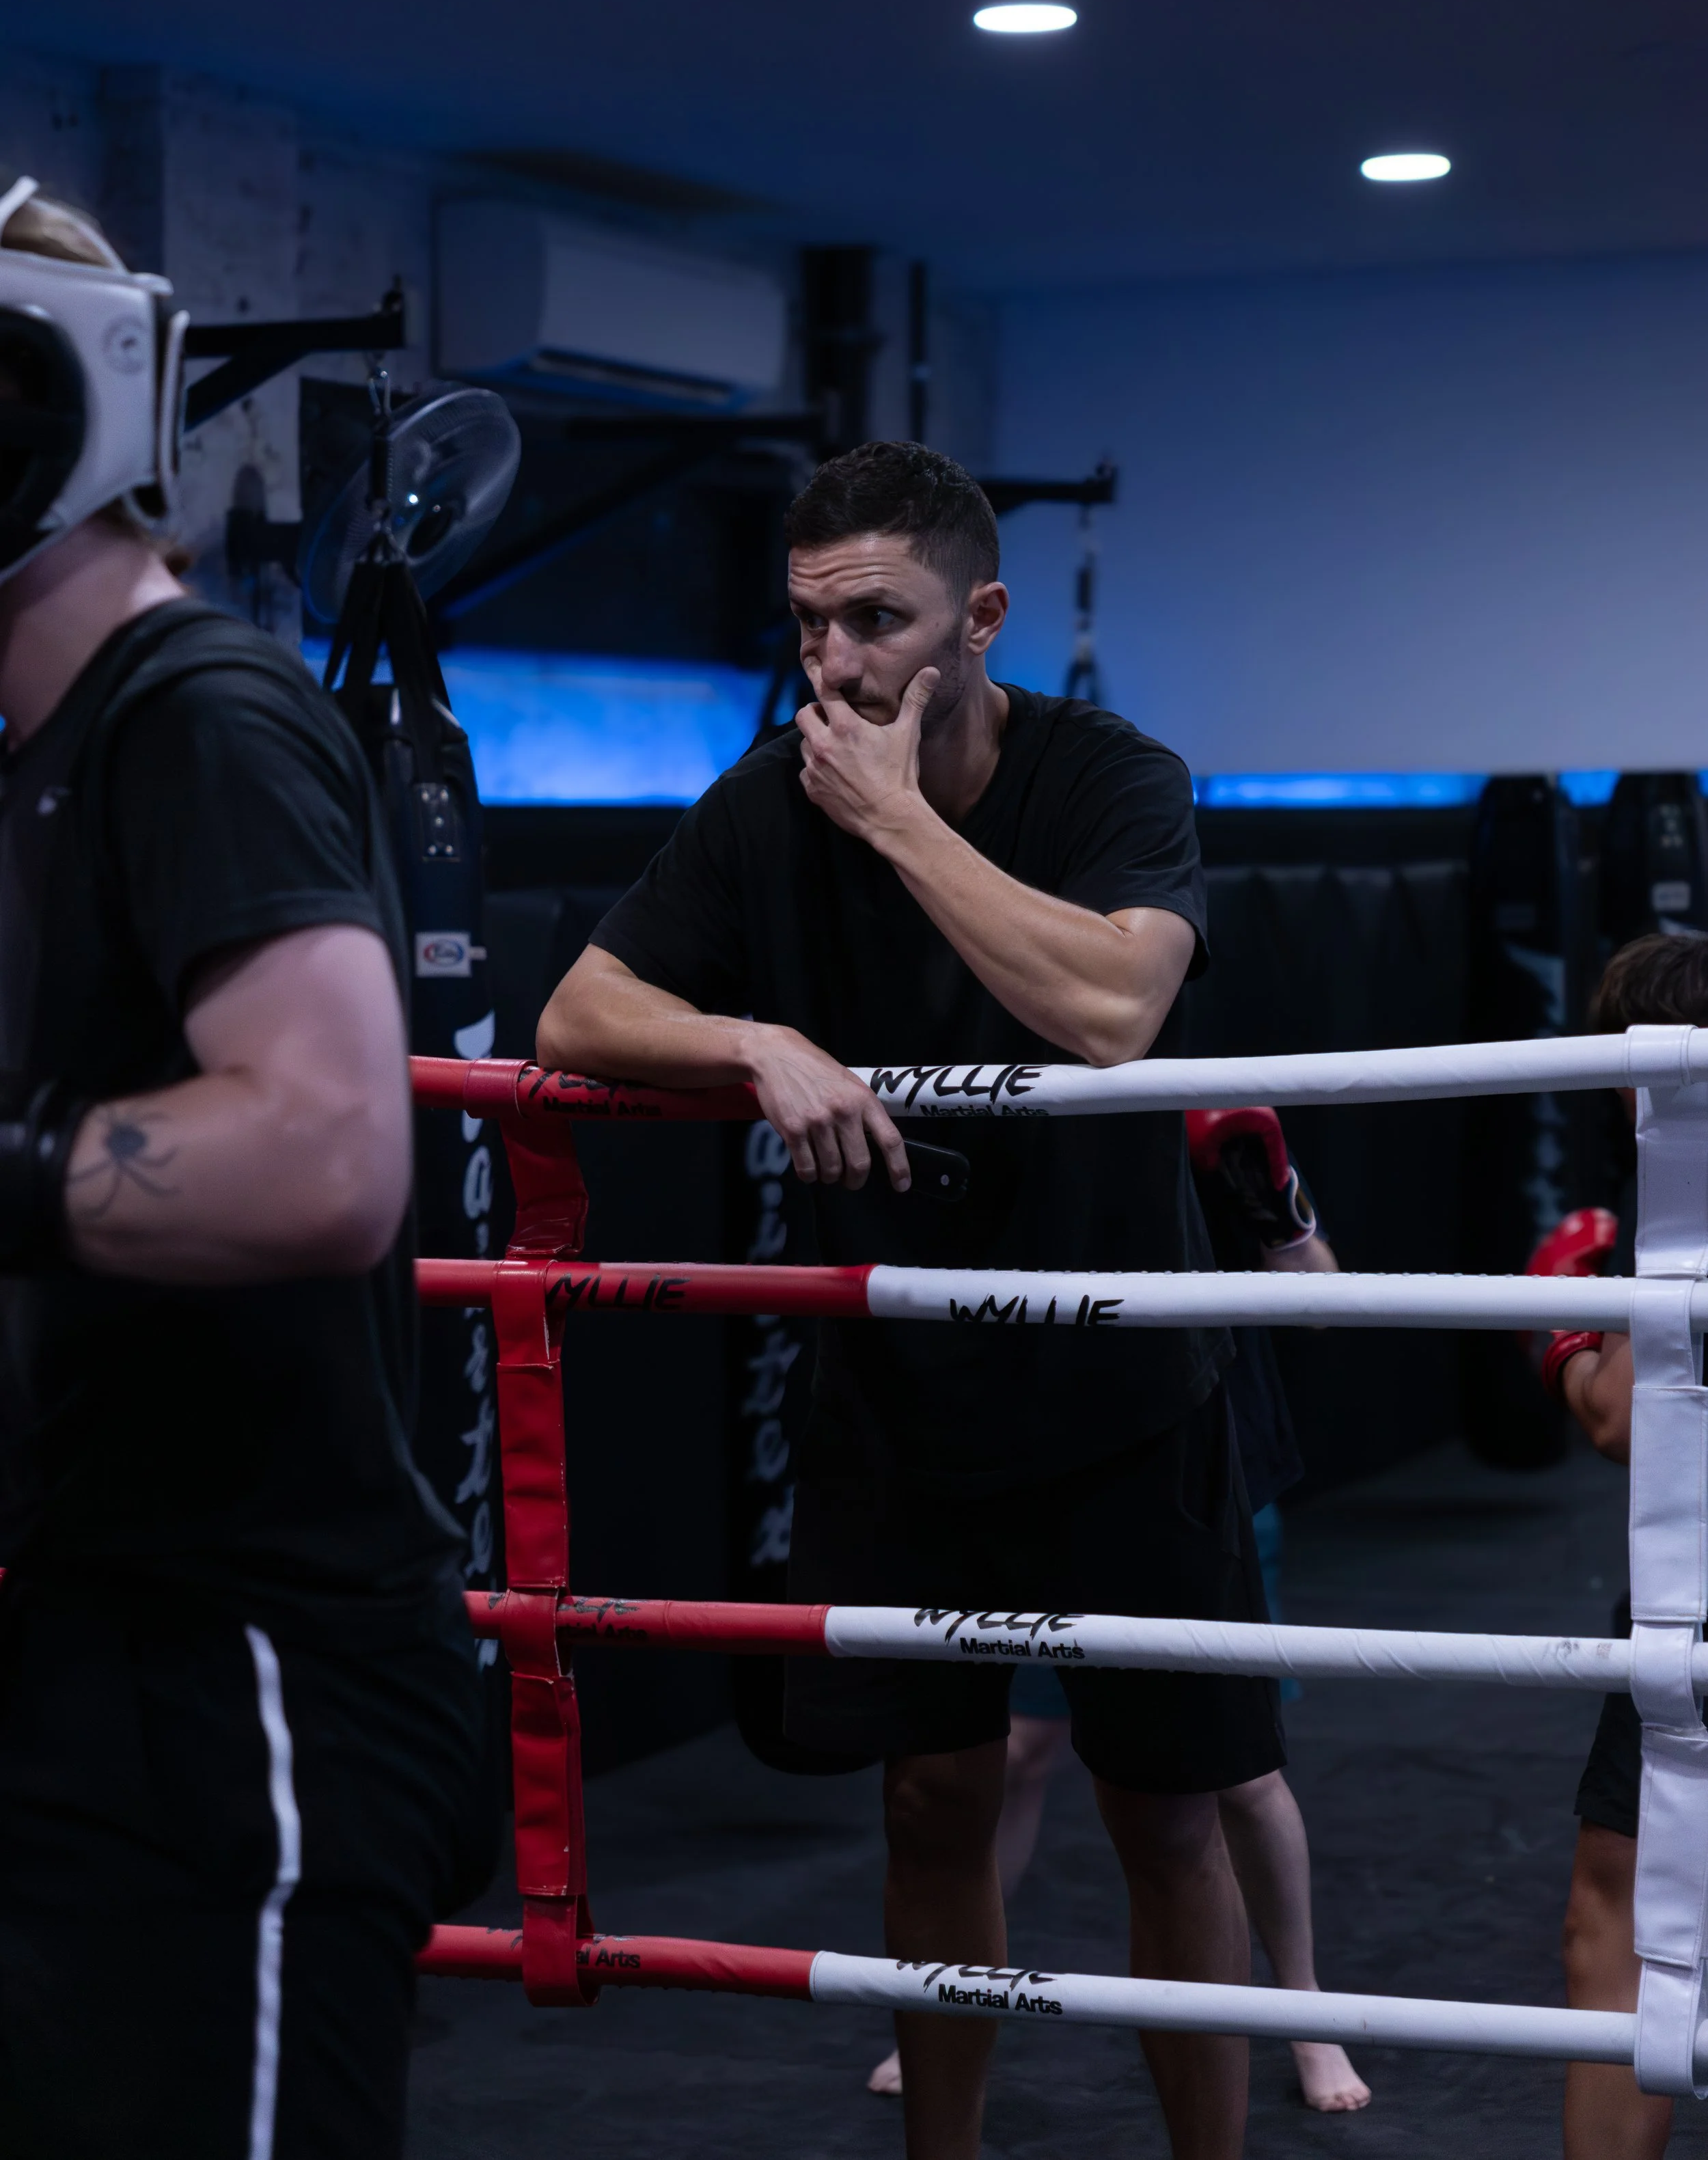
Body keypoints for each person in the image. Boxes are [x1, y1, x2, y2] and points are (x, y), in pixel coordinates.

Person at [540, 439, 1282, 2160]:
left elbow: (1111, 1012)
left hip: (1121, 1381)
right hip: (897, 1385)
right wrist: (749, 1037)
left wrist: (894, 820)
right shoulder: (763, 800)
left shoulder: (1110, 777)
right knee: (932, 1800)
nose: (835, 665)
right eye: (809, 627)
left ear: (981, 619)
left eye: (875, 621)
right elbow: (576, 1011)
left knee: (1165, 1817)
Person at [0, 178, 491, 2157]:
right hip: (103, 1645)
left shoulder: (201, 714)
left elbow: (324, 1148)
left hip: (254, 1677)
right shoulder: (44, 760)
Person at [866, 1107, 1372, 2117]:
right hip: (1051, 1470)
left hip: (1203, 1473)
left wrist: (1272, 1200)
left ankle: (1305, 2006)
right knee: (1016, 1753)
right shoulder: (1024, 1115)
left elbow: (1322, 1300)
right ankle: (955, 1998)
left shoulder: (1200, 1118)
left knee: (1238, 1774)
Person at [1545, 931, 1708, 2160]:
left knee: (1622, 1912)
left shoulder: (1683, 1181)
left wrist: (1564, 1323)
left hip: (1696, 1584)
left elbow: (1617, 1418)